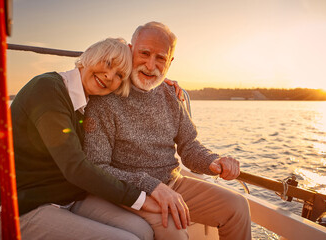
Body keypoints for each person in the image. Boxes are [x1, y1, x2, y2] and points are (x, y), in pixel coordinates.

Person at [0, 37, 184, 240]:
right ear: (89, 55)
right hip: (22, 208)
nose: (109, 75)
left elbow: (140, 75)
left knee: (143, 231)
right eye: (107, 62)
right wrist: (140, 199)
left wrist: (162, 84)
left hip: (69, 198)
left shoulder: (89, 102)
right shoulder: (47, 89)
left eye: (119, 75)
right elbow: (75, 167)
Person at [84, 22, 252, 239]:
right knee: (174, 230)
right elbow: (97, 167)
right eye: (144, 53)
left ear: (170, 62)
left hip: (173, 183)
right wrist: (150, 185)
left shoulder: (171, 96)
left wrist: (213, 162)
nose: (150, 65)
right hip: (128, 191)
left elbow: (189, 145)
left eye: (160, 58)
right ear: (130, 49)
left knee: (237, 206)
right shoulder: (106, 97)